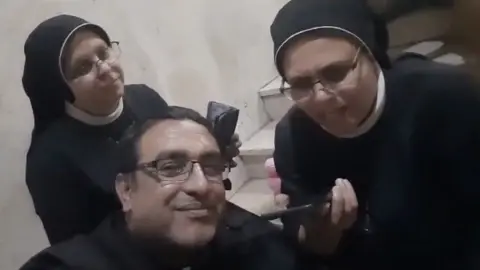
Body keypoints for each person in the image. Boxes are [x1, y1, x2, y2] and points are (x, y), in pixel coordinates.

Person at [270, 0, 480, 269]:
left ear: (372, 56)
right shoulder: (292, 137)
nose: (321, 98)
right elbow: (312, 245)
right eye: (300, 84)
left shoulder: (443, 99)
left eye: (335, 73)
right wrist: (324, 231)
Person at [23, 15, 240, 245]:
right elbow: (77, 250)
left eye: (104, 53)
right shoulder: (49, 161)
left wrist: (213, 158)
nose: (105, 68)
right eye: (84, 67)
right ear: (59, 87)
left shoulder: (145, 99)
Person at [20, 106, 304, 270]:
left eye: (212, 167)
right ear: (126, 191)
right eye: (170, 168)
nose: (201, 185)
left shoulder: (249, 240)